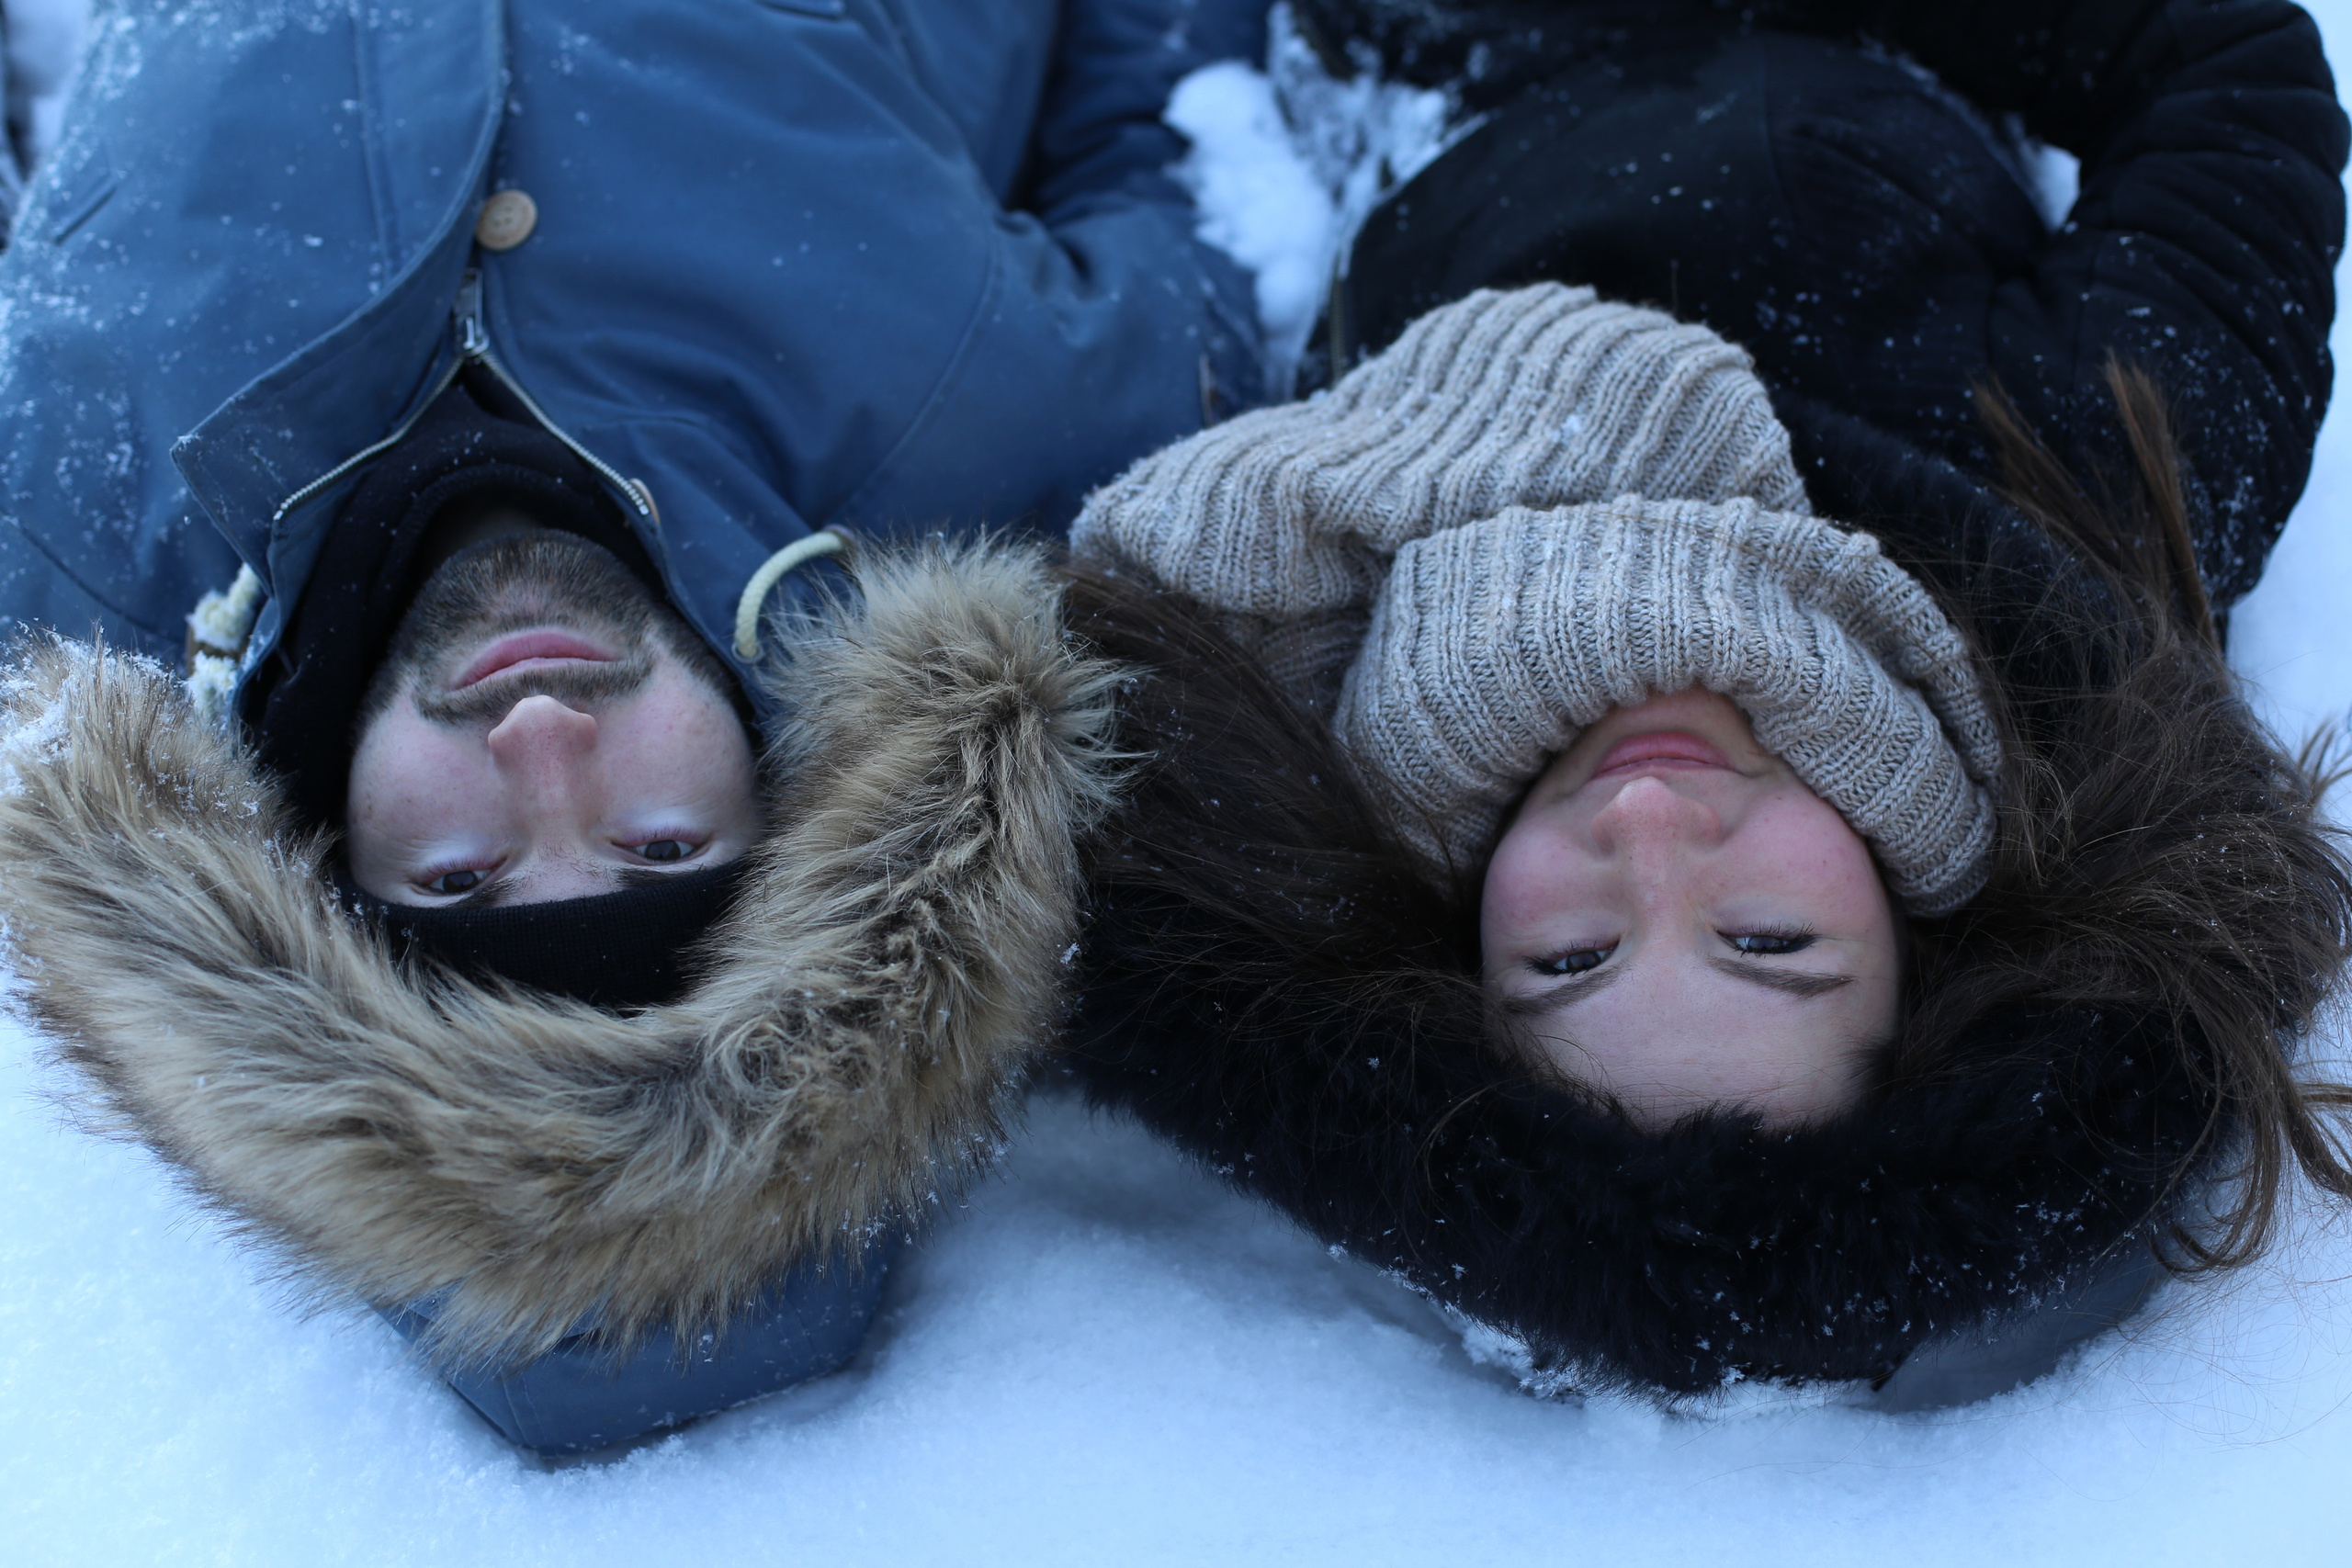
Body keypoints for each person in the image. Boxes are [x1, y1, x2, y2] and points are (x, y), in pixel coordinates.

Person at [0, 0, 1267, 1451]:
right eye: (660, 842)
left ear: (316, 857)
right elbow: (1183, 145)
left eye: (462, 874)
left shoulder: (64, 563)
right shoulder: (979, 458)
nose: (543, 740)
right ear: (787, 800)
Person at [1050, 0, 2352, 1405]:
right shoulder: (2071, 498)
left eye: (1567, 959)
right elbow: (2225, 67)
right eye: (1769, 937)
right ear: (1921, 921)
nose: (1650, 821)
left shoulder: (1268, 614)